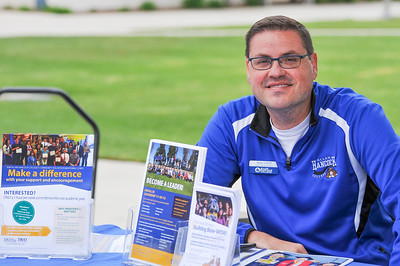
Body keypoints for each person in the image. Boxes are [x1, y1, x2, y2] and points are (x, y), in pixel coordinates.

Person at [197, 15, 400, 265]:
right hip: (272, 260)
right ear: (249, 71)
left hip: (352, 260)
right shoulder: (231, 122)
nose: (276, 72)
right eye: (262, 61)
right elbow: (186, 206)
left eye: (290, 59)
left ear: (313, 65)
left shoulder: (358, 118)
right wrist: (250, 235)